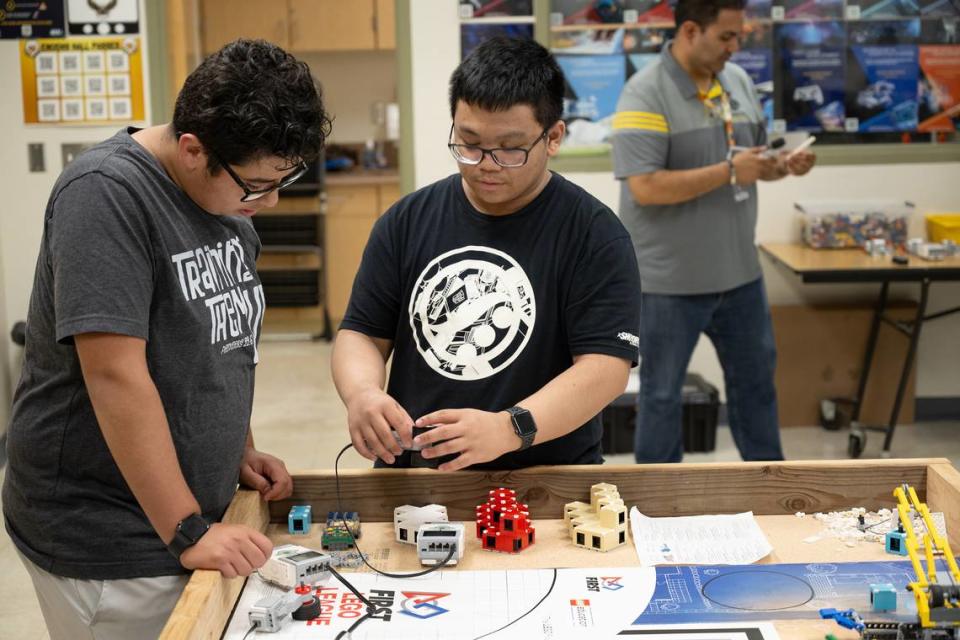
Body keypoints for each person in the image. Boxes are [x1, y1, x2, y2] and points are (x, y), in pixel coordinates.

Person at [3, 39, 331, 639]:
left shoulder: (229, 202)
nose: (270, 201)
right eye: (257, 184)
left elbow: (221, 342)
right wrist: (186, 528)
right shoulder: (106, 195)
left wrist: (239, 447)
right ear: (191, 148)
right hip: (108, 532)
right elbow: (115, 376)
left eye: (282, 180)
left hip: (178, 512)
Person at [332, 37, 641, 472]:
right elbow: (361, 333)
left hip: (545, 478)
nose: (486, 164)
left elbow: (605, 368)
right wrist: (362, 392)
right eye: (469, 142)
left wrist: (509, 429)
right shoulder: (406, 220)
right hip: (416, 480)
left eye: (510, 148)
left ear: (553, 137)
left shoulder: (594, 234)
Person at [611, 0, 816, 464]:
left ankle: (770, 494)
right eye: (726, 37)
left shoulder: (737, 82)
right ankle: (658, 510)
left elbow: (751, 164)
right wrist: (729, 172)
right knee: (661, 397)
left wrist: (784, 166)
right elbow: (644, 188)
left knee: (757, 390)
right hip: (668, 283)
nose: (736, 46)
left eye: (739, 36)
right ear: (689, 31)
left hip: (740, 275)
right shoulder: (643, 94)